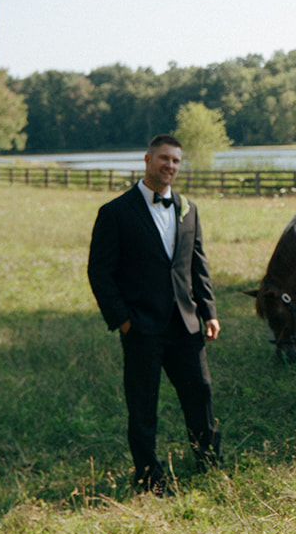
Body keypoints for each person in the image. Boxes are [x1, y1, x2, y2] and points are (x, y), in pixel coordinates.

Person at [88, 134, 222, 494]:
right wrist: (124, 320)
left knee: (200, 394)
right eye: (164, 158)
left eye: (176, 161)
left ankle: (208, 459)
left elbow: (198, 266)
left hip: (186, 324)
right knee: (143, 404)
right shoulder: (115, 212)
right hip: (142, 327)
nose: (170, 166)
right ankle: (149, 475)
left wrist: (208, 311)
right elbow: (99, 272)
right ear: (147, 159)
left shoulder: (188, 209)